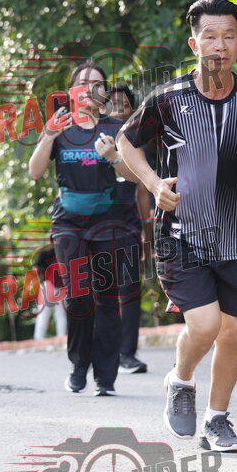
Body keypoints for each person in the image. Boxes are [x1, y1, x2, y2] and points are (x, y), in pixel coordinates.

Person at [117, 0, 237, 452]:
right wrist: (154, 183)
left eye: (228, 36)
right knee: (205, 325)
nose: (220, 45)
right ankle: (180, 379)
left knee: (233, 331)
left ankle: (217, 421)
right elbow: (126, 141)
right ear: (194, 44)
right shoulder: (168, 99)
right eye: (210, 36)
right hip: (181, 234)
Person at [28, 60, 139, 396]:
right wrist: (49, 135)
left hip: (108, 221)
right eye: (83, 82)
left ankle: (105, 378)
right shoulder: (59, 126)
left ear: (105, 93)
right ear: (71, 91)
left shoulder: (115, 128)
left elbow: (136, 176)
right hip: (69, 222)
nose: (90, 89)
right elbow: (35, 171)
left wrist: (114, 158)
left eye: (97, 84)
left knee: (106, 298)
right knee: (78, 295)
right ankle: (79, 365)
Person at [110, 84, 154, 374]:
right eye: (112, 104)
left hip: (127, 227)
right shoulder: (88, 142)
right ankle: (101, 349)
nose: (118, 110)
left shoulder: (136, 146)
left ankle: (128, 354)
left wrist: (147, 234)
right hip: (92, 228)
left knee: (129, 291)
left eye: (124, 105)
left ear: (131, 111)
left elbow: (142, 190)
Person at [33, 239, 67, 340]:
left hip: (47, 285)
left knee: (43, 314)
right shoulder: (64, 252)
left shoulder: (45, 253)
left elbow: (36, 269)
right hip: (62, 286)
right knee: (61, 314)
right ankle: (61, 338)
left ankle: (38, 339)